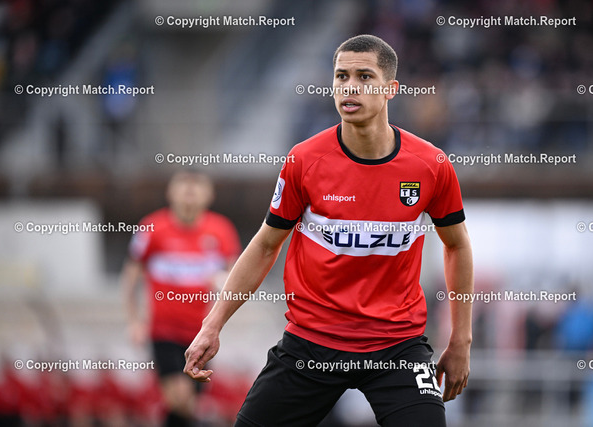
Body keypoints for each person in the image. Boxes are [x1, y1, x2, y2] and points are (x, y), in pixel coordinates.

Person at [184, 34, 473, 426]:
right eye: (341, 76)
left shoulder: (430, 165)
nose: (350, 87)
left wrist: (460, 340)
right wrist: (213, 324)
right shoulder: (304, 160)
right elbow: (266, 245)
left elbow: (457, 246)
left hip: (397, 346)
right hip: (312, 343)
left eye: (364, 77)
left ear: (391, 89)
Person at [121, 171, 241, 426]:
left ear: (209, 194)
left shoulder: (221, 230)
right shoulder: (152, 227)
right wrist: (134, 322)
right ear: (170, 192)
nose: (190, 190)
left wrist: (222, 291)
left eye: (196, 185)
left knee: (188, 404)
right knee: (180, 396)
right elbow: (130, 278)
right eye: (183, 184)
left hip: (202, 332)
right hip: (163, 331)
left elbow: (236, 278)